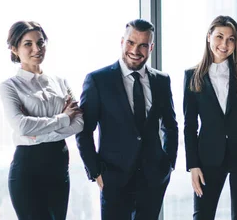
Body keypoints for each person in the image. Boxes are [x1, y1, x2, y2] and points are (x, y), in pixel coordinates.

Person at [75, 19, 178, 220]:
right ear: (122, 42)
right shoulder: (98, 80)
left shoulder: (161, 80)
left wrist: (168, 164)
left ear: (151, 47)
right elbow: (84, 130)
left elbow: (170, 125)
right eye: (131, 43)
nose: (135, 50)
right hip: (114, 178)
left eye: (143, 45)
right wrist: (96, 172)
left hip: (153, 178)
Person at [0, 21, 84, 220]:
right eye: (28, 44)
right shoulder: (10, 87)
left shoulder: (60, 82)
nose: (37, 49)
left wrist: (36, 134)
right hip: (28, 168)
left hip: (58, 165)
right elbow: (22, 126)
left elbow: (79, 122)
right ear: (14, 49)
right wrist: (63, 118)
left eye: (41, 42)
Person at [183, 15, 237, 220]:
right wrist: (193, 165)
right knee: (202, 216)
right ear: (209, 37)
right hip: (208, 156)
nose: (224, 44)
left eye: (231, 39)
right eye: (219, 37)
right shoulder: (192, 76)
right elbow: (189, 125)